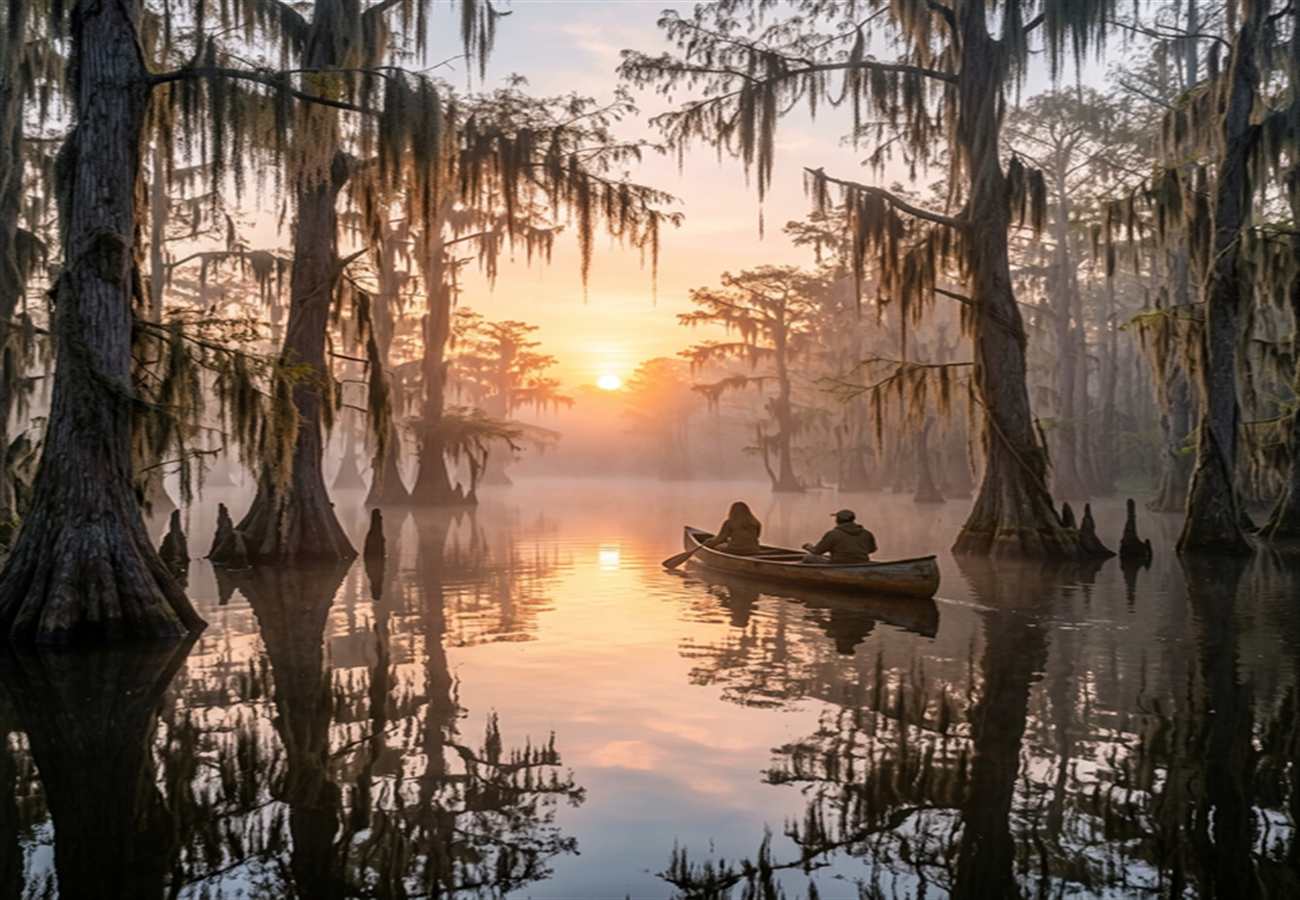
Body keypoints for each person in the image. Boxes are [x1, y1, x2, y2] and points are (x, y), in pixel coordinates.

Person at [803, 509, 877, 564]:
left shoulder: (833, 534)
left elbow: (817, 551)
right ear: (853, 519)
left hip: (838, 564)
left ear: (838, 520)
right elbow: (872, 549)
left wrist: (808, 547)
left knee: (808, 557)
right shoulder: (867, 533)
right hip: (862, 562)